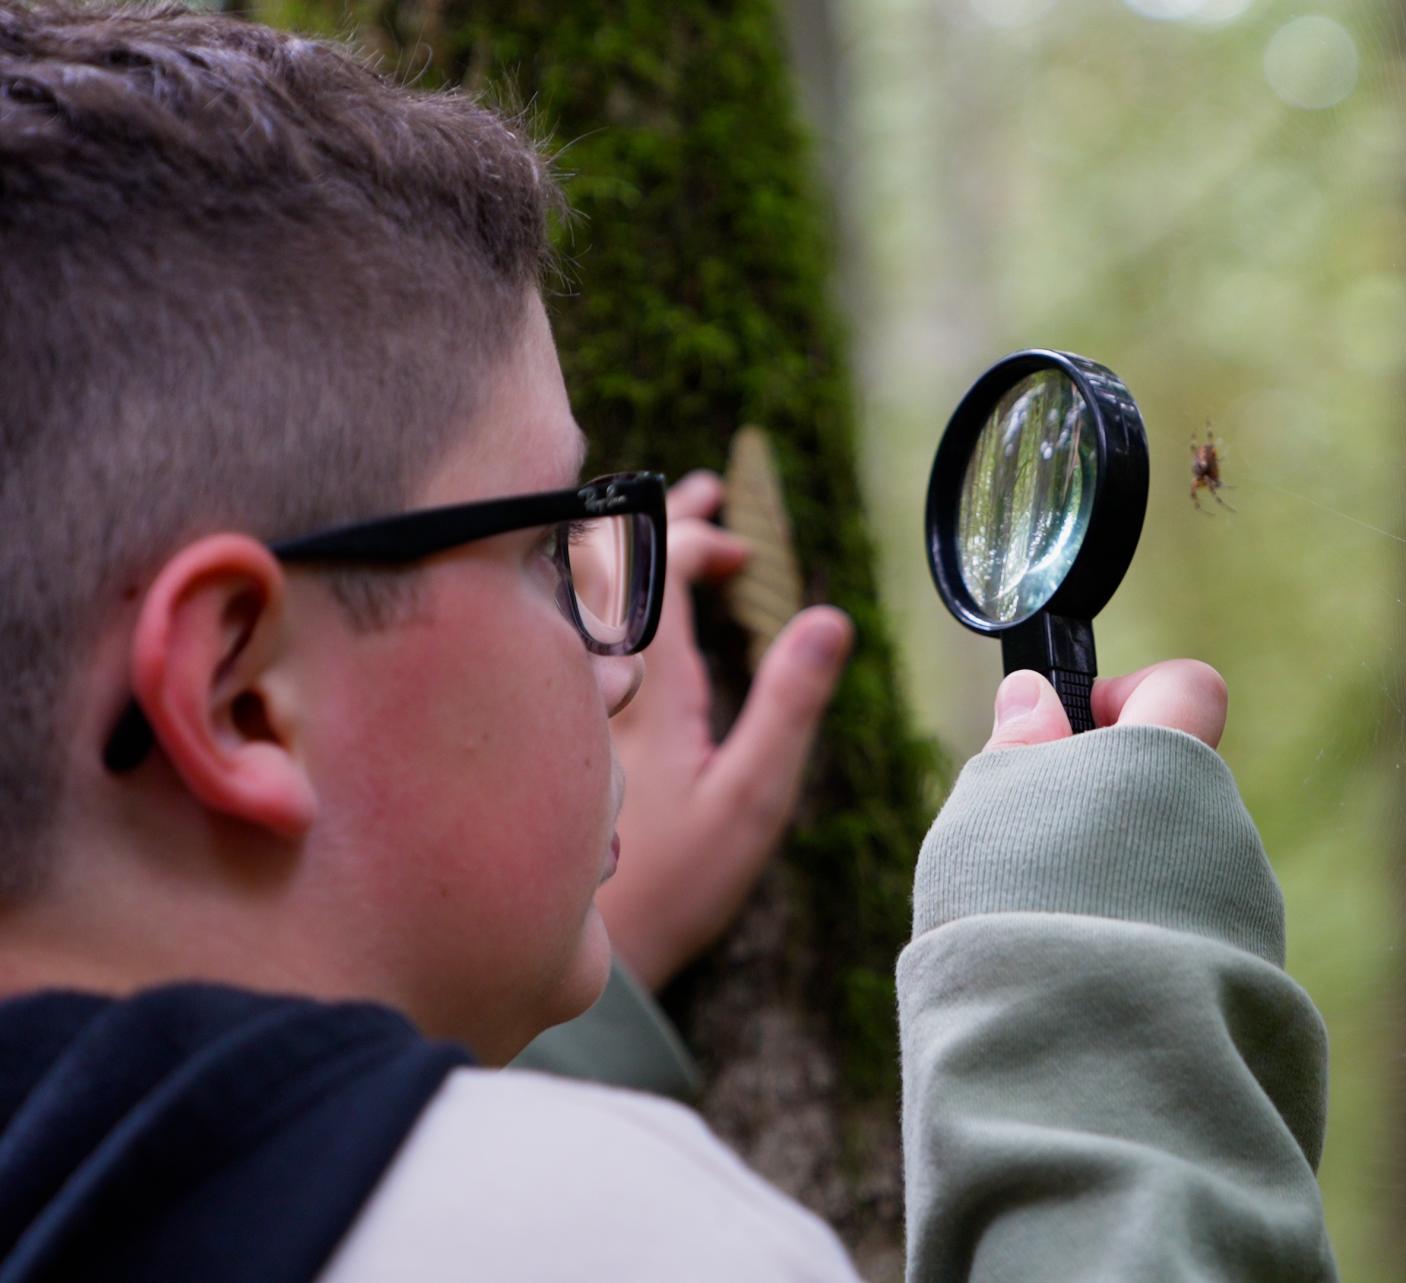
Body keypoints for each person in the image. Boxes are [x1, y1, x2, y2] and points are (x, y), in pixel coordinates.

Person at [0, 3, 1338, 1281]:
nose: (623, 660)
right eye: (542, 547)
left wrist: (526, 939)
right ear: (239, 695)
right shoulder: (611, 1241)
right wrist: (1098, 1031)